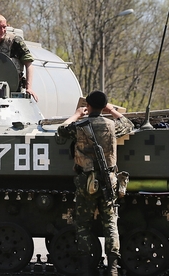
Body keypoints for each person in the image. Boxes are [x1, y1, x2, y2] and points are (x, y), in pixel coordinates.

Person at [57, 90, 133, 276]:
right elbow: (129, 125)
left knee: (83, 225)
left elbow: (60, 132)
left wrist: (76, 114)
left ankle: (85, 267)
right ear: (104, 106)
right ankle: (113, 267)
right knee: (110, 224)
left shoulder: (80, 126)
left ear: (88, 106)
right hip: (109, 180)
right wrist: (110, 109)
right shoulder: (111, 125)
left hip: (86, 181)